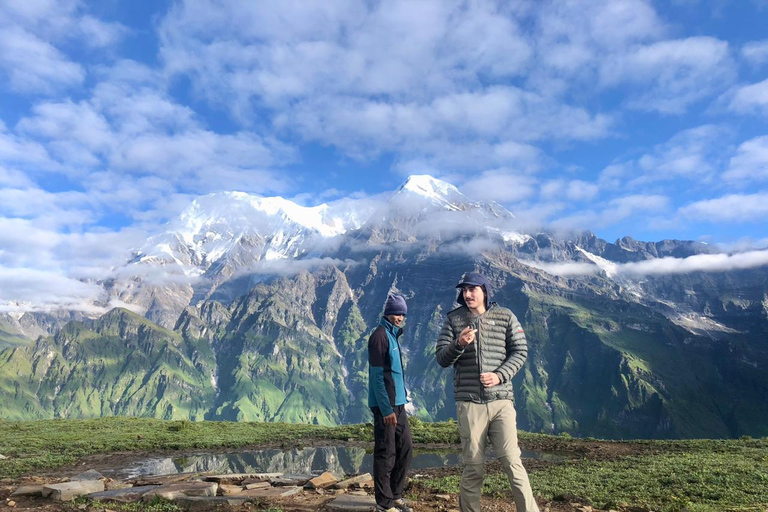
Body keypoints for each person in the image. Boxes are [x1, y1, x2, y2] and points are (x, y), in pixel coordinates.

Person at [435, 272, 539, 512]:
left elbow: (520, 351)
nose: (467, 294)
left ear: (485, 291)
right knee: (473, 467)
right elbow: (441, 358)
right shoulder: (454, 320)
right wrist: (458, 344)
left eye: (472, 289)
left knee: (513, 462)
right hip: (470, 403)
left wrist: (500, 375)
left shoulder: (505, 317)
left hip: (501, 401)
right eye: (464, 290)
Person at [368, 293, 414, 512]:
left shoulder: (393, 335)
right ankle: (383, 504)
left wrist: (399, 403)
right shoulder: (379, 336)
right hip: (386, 405)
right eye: (397, 313)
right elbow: (376, 376)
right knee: (386, 453)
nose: (400, 317)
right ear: (388, 313)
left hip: (399, 403)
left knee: (405, 448)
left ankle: (395, 495)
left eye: (403, 314)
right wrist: (386, 409)